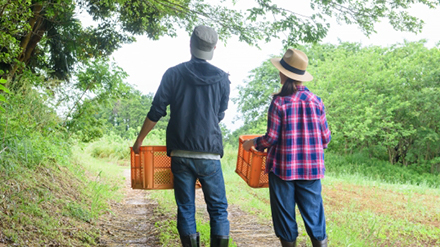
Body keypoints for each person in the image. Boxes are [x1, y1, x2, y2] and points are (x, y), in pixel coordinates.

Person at [132, 25, 230, 247]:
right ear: (214, 48)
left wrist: (140, 140)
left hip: (180, 154)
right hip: (210, 154)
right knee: (218, 209)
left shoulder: (173, 74)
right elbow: (219, 114)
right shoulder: (222, 78)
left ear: (190, 45)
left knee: (186, 207)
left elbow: (157, 110)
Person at [243, 49, 331, 247]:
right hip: (311, 170)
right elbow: (325, 138)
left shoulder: (279, 102)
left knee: (285, 217)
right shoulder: (316, 101)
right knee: (315, 217)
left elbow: (271, 138)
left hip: (283, 170)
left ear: (284, 74)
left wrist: (253, 144)